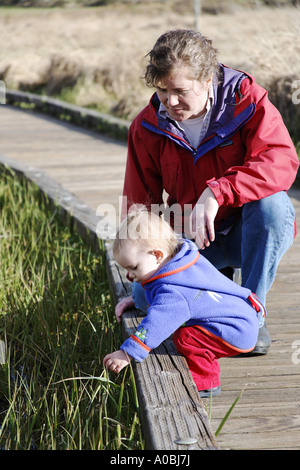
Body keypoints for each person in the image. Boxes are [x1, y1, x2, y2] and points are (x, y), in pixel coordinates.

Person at [121, 29, 299, 355]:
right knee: (147, 300)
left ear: (207, 80)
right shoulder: (146, 126)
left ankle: (250, 313)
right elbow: (138, 209)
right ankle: (212, 288)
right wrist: (141, 273)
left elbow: (280, 161)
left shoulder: (248, 101)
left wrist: (218, 193)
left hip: (248, 232)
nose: (170, 101)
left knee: (273, 206)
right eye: (161, 90)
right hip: (192, 240)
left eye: (179, 90)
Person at [103, 208, 266, 397]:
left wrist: (127, 353)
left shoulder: (174, 291)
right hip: (241, 316)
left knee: (185, 338)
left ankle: (206, 382)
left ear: (157, 255)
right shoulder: (184, 259)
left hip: (236, 330)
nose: (129, 276)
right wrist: (135, 298)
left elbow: (157, 323)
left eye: (133, 268)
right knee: (187, 334)